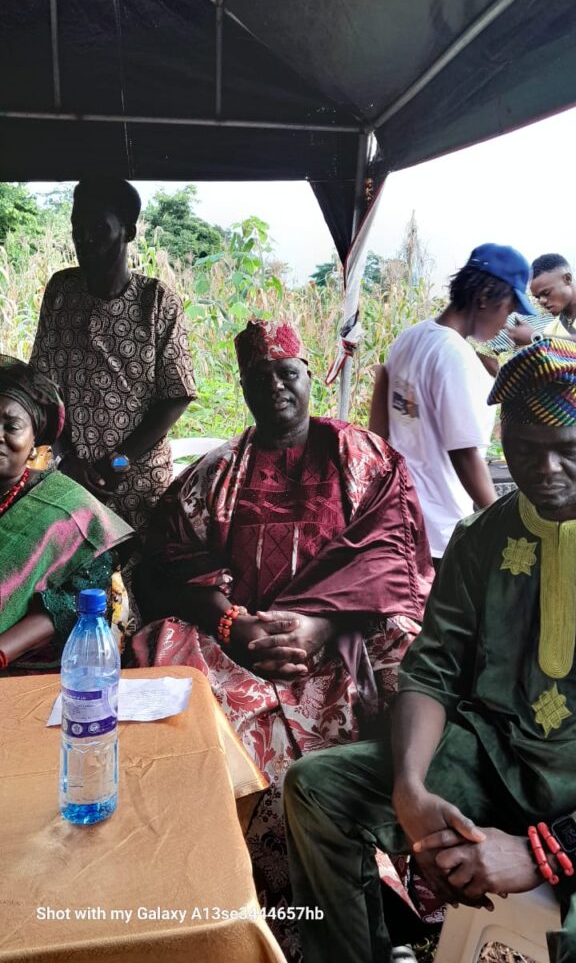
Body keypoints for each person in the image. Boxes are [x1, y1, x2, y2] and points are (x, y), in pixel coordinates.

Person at [131, 318, 434, 960]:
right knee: (202, 703)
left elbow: (393, 554)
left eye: (288, 374)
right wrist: (232, 625)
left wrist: (323, 621)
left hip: (344, 635)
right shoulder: (216, 472)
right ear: (241, 387)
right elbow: (171, 563)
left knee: (412, 659)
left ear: (308, 377)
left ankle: (389, 896)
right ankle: (257, 914)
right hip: (245, 643)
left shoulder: (364, 457)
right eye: (259, 378)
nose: (276, 389)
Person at [284, 336, 576, 963]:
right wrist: (410, 790)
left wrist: (544, 851)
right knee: (317, 790)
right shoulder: (482, 539)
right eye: (524, 451)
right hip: (494, 759)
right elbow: (433, 670)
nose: (545, 472)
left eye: (568, 452)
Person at [29, 178, 197, 532]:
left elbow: (176, 394)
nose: (84, 239)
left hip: (137, 481)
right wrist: (66, 457)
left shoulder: (156, 301)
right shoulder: (61, 291)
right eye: (78, 228)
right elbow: (42, 386)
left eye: (98, 229)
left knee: (139, 577)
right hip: (72, 476)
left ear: (129, 232)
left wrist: (118, 461)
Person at [369, 242, 532, 563]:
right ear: (485, 296)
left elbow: (381, 431)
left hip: (395, 517)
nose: (506, 323)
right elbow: (465, 454)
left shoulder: (411, 336)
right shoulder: (455, 356)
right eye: (508, 310)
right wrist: (497, 520)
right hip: (438, 533)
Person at [0, 356, 133, 674]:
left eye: (12, 426)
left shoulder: (71, 510)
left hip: (30, 667)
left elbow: (76, 601)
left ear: (35, 440)